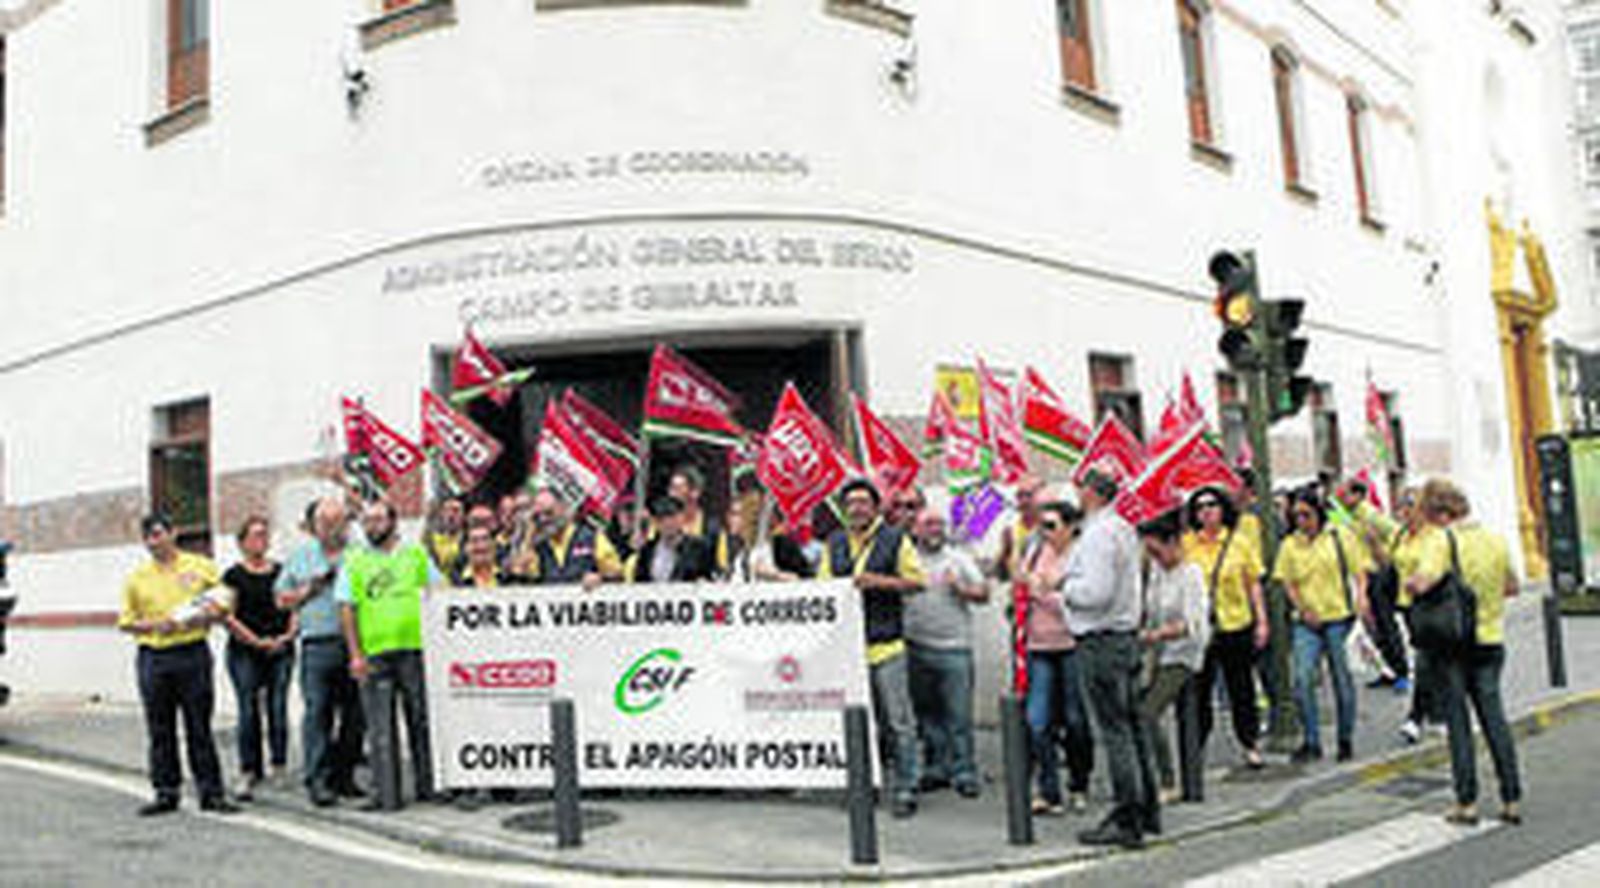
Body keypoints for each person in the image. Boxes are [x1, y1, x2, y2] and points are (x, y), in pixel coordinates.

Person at [1407, 479, 1522, 826]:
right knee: (1494, 720)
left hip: (1453, 646)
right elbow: (1512, 586)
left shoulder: (1443, 541)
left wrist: (1412, 583)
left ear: (1441, 513)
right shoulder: (1496, 540)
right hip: (1490, 642)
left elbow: (1421, 582)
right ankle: (1511, 798)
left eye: (1427, 514)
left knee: (1459, 724)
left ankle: (1467, 803)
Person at [1061, 467, 1157, 849]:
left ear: (1091, 492)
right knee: (1131, 727)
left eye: (1080, 487)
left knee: (1116, 731)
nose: (1076, 494)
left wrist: (1065, 588)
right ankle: (1146, 809)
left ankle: (1128, 816)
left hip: (1101, 640)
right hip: (1123, 636)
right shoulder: (1121, 529)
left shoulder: (1100, 534)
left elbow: (1096, 592)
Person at [117, 514, 238, 815]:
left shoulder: (200, 566)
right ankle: (165, 791)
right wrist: (156, 626)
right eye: (148, 537)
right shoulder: (137, 578)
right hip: (154, 657)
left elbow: (225, 600)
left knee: (199, 725)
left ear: (174, 533)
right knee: (160, 728)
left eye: (158, 534)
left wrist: (204, 616)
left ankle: (211, 793)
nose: (153, 542)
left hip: (192, 653)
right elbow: (126, 623)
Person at [819, 477, 926, 818]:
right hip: (849, 649)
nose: (857, 508)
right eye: (851, 503)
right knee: (861, 723)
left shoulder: (895, 540)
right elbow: (823, 588)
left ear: (875, 507)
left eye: (863, 502)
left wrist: (878, 582)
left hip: (887, 645)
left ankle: (907, 786)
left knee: (899, 721)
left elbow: (916, 582)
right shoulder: (834, 542)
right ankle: (867, 785)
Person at [338, 499, 441, 810]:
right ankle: (387, 795)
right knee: (381, 728)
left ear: (394, 522)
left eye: (379, 520)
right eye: (367, 521)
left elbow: (439, 594)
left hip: (415, 650)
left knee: (421, 721)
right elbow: (347, 608)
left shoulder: (416, 555)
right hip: (375, 654)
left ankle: (429, 787)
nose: (372, 526)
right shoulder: (354, 560)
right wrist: (355, 655)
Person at [276, 496, 365, 807]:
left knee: (356, 715)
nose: (331, 528)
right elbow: (281, 599)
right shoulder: (300, 557)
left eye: (338, 522)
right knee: (318, 714)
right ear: (313, 526)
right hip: (317, 644)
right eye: (325, 522)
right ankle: (317, 779)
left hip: (356, 643)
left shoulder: (360, 554)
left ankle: (344, 776)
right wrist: (308, 590)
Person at [1274, 488, 1371, 764]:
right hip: (1307, 621)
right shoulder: (1290, 545)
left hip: (1339, 617)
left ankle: (1345, 739)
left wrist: (1362, 599)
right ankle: (1312, 740)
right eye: (1296, 516)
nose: (1302, 521)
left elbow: (1360, 571)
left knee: (1342, 679)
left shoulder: (1340, 536)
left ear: (1319, 513)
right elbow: (1287, 581)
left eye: (1307, 515)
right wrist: (1301, 609)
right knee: (1302, 679)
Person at [904, 501, 988, 799]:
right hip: (915, 646)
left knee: (958, 715)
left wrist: (961, 589)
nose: (935, 530)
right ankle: (937, 768)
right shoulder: (907, 557)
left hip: (954, 648)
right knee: (926, 714)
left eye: (939, 524)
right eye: (928, 524)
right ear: (916, 528)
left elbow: (984, 593)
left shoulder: (958, 558)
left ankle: (964, 771)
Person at [1183, 487, 1267, 769]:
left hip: (1235, 624)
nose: (1206, 511)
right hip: (1200, 629)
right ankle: (1196, 750)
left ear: (1223, 509)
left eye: (1212, 505)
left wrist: (1262, 620)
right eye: (1200, 507)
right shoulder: (1187, 545)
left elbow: (1253, 583)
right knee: (1199, 692)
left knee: (1241, 689)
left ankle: (1250, 743)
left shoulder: (1239, 542)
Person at [1019, 500, 1095, 815]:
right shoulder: (1036, 552)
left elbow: (1083, 601)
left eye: (1052, 525)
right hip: (1039, 645)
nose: (1045, 532)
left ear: (1070, 527)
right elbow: (1024, 585)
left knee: (1076, 720)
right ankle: (1048, 791)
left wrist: (1044, 594)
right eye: (1042, 526)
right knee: (1037, 721)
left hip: (1071, 644)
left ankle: (1079, 783)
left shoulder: (1082, 557)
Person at [1137, 510, 1211, 803]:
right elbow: (1148, 609)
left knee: (1149, 712)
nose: (1154, 557)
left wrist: (1158, 634)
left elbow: (1193, 623)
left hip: (1184, 652)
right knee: (1137, 707)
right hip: (1157, 652)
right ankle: (1151, 774)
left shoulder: (1190, 574)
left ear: (1172, 543)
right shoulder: (1156, 573)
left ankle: (1169, 780)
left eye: (1157, 550)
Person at [221, 515, 295, 801]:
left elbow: (293, 605)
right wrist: (255, 641)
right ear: (241, 543)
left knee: (278, 708)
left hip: (281, 649)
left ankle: (278, 765)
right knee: (248, 710)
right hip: (245, 651)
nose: (260, 540)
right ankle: (248, 769)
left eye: (264, 535)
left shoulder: (282, 570)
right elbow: (226, 616)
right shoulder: (232, 576)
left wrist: (287, 636)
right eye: (254, 535)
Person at [1336, 479, 1408, 691]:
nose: (1342, 496)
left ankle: (1401, 672)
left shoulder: (1370, 515)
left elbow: (1397, 533)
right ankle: (1388, 670)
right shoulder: (1352, 516)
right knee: (1374, 626)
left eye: (1346, 493)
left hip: (1379, 574)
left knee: (1386, 625)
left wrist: (1385, 555)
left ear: (1358, 496)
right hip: (1364, 575)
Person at [510, 488, 624, 588]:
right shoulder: (537, 545)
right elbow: (524, 581)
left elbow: (618, 576)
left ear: (564, 508)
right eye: (538, 516)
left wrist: (600, 579)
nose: (543, 519)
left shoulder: (592, 538)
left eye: (549, 513)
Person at [627, 496, 716, 583]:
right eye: (661, 519)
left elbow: (708, 578)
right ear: (655, 522)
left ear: (682, 518)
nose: (668, 523)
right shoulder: (647, 550)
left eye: (672, 517)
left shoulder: (698, 548)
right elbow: (639, 582)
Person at [667, 463, 731, 574]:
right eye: (671, 488)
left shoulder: (713, 530)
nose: (671, 494)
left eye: (677, 489)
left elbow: (722, 568)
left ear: (695, 493)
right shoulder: (662, 525)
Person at [996, 474, 1045, 582]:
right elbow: (1001, 574)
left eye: (1028, 495)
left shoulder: (1054, 528)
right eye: (1019, 496)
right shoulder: (1010, 528)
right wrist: (1004, 555)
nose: (1023, 501)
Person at [453, 524, 515, 588]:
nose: (481, 545)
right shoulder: (455, 582)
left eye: (485, 539)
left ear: (493, 546)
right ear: (466, 548)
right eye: (474, 540)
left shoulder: (508, 577)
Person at [423, 495, 466, 577]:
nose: (450, 515)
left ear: (463, 515)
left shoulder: (468, 541)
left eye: (456, 510)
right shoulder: (431, 540)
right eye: (446, 510)